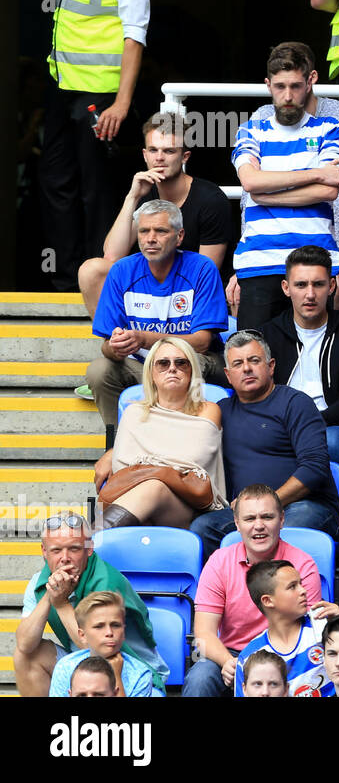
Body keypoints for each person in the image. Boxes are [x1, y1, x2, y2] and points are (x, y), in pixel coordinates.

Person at [42, 0, 151, 292]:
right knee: (55, 180)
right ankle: (66, 278)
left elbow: (134, 33)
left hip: (100, 93)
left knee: (97, 189)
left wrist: (122, 103)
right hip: (62, 85)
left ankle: (100, 280)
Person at [230, 43, 339, 330]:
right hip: (259, 262)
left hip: (317, 263)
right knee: (255, 356)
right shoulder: (251, 129)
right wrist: (315, 173)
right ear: (268, 85)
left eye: (296, 86)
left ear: (311, 81)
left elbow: (329, 190)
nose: (287, 96)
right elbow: (250, 181)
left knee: (318, 357)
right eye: (280, 86)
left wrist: (264, 194)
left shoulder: (330, 128)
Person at [189, 330, 339, 559]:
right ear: (228, 375)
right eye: (238, 364)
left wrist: (268, 504)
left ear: (270, 366)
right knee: (202, 528)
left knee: (286, 528)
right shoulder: (221, 411)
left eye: (254, 360)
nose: (246, 368)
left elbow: (314, 468)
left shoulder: (295, 403)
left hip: (301, 505)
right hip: (245, 514)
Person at [85, 199, 225, 436]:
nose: (150, 238)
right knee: (99, 370)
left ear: (179, 236)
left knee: (182, 364)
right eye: (144, 231)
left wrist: (143, 339)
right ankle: (119, 441)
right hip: (141, 365)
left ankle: (179, 439)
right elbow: (106, 347)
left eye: (160, 231)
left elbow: (202, 342)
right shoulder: (121, 270)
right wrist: (116, 347)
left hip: (194, 361)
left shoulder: (202, 268)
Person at [76, 111, 229, 319]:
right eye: (153, 150)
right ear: (144, 155)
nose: (159, 158)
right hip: (148, 288)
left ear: (184, 157)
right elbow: (112, 256)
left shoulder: (210, 199)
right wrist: (133, 196)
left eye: (169, 151)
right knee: (91, 270)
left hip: (189, 293)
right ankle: (119, 345)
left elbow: (205, 273)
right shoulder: (143, 191)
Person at [186, 484, 323, 698]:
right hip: (232, 652)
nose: (259, 526)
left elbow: (310, 629)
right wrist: (229, 662)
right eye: (250, 519)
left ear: (282, 520)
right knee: (200, 677)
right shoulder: (219, 562)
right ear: (237, 524)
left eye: (267, 517)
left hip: (287, 651)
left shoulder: (302, 564)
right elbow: (204, 634)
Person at [14, 512, 165, 697]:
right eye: (56, 550)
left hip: (128, 667)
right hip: (85, 662)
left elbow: (97, 646)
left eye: (74, 549)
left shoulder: (106, 581)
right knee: (27, 656)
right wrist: (50, 594)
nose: (65, 558)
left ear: (89, 548)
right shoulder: (41, 581)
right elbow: (24, 644)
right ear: (44, 552)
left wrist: (60, 603)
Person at [93, 337, 225, 530]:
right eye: (163, 363)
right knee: (151, 489)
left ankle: (89, 542)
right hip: (136, 502)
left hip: (190, 508)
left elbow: (194, 460)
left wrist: (148, 467)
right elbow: (122, 465)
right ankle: (89, 544)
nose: (172, 368)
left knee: (154, 486)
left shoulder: (208, 410)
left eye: (181, 363)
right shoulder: (134, 412)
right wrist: (165, 469)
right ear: (151, 373)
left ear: (192, 372)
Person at [264, 245, 339, 469]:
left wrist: (312, 421)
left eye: (318, 284)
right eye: (301, 285)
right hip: (281, 423)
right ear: (286, 287)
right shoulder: (269, 335)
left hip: (333, 425)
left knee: (329, 441)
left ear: (331, 286)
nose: (310, 294)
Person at [233, 560, 339, 697]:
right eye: (292, 587)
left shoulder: (324, 626)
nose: (303, 591)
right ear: (268, 601)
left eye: (301, 584)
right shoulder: (249, 657)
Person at [48, 591, 161, 697]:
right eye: (99, 626)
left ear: (123, 631)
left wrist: (117, 677)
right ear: (82, 635)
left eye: (115, 625)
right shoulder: (66, 667)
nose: (109, 633)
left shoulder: (140, 675)